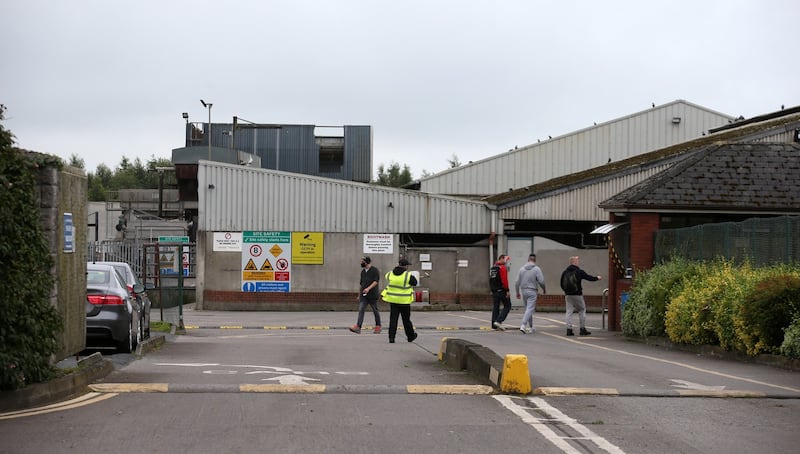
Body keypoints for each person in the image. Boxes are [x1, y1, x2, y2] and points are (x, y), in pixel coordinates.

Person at [559, 255, 601, 336]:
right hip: (577, 295)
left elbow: (561, 283)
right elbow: (589, 277)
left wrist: (566, 291)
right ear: (574, 262)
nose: (578, 262)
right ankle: (582, 329)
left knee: (569, 312)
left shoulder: (565, 272)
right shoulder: (579, 271)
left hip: (568, 295)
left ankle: (569, 330)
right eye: (577, 261)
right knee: (582, 310)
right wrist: (597, 278)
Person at [381, 258, 418, 343]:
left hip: (393, 300)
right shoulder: (408, 275)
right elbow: (414, 283)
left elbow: (387, 277)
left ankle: (391, 338)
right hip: (404, 301)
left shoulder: (390, 274)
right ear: (405, 266)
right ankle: (410, 336)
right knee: (406, 320)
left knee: (393, 319)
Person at [349, 256, 381, 334]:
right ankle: (358, 327)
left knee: (375, 311)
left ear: (366, 262)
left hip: (373, 295)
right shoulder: (363, 272)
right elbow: (362, 284)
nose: (361, 263)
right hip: (364, 295)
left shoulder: (374, 270)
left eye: (362, 261)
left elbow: (376, 281)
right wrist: (359, 294)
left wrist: (368, 289)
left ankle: (378, 326)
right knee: (361, 310)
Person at [514, 254, 546, 334]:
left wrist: (517, 292)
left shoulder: (521, 269)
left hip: (524, 291)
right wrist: (544, 289)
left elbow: (517, 282)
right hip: (532, 291)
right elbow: (541, 281)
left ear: (528, 260)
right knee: (530, 309)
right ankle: (523, 325)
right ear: (534, 260)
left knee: (528, 309)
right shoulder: (536, 269)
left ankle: (531, 327)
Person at [489, 254, 512, 330]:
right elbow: (505, 281)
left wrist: (492, 289)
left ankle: (494, 325)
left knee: (496, 307)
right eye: (506, 260)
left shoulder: (493, 268)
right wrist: (507, 290)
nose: (506, 262)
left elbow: (491, 280)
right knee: (507, 306)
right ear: (501, 259)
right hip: (501, 290)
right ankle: (499, 321)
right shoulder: (502, 268)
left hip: (494, 291)